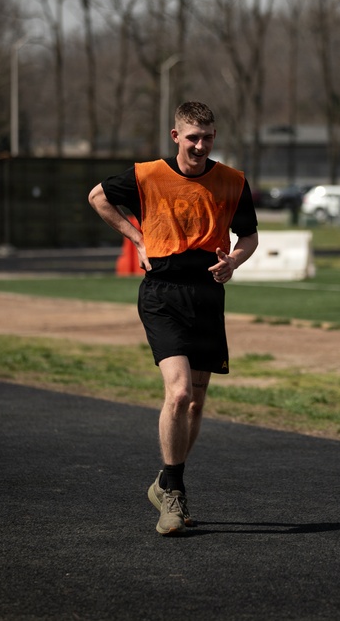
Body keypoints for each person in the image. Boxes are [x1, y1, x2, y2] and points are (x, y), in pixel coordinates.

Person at [88, 101, 259, 536]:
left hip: (207, 293)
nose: (200, 146)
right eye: (192, 137)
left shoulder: (232, 181)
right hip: (163, 292)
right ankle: (175, 492)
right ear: (175, 136)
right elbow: (98, 198)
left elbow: (250, 234)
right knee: (179, 392)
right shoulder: (147, 174)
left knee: (197, 401)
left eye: (208, 138)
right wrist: (138, 240)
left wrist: (234, 262)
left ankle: (166, 479)